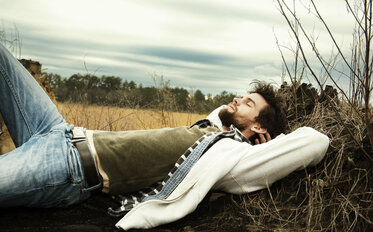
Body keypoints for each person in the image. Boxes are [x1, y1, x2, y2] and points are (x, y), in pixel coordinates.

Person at [0, 43, 329, 230]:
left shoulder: (233, 159)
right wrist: (241, 117)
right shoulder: (211, 130)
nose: (236, 100)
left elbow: (316, 142)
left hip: (66, 168)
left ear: (260, 127)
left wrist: (268, 142)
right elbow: (220, 113)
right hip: (60, 131)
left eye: (247, 103)